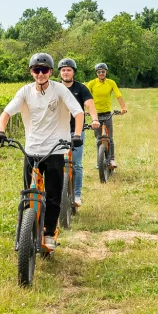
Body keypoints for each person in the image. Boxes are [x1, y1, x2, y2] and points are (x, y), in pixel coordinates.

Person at [0, 53, 84, 250]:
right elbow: (7, 112)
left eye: (44, 70)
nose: (40, 74)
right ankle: (27, 229)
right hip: (31, 150)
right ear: (31, 72)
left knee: (53, 195)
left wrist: (76, 135)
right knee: (28, 193)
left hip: (55, 149)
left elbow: (78, 112)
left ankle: (50, 232)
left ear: (51, 72)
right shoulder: (25, 92)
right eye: (37, 70)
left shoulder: (59, 89)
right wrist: (1, 130)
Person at [57, 58, 99, 207]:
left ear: (73, 72)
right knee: (55, 164)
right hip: (57, 131)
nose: (66, 72)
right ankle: (57, 195)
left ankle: (77, 195)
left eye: (68, 70)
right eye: (63, 70)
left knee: (77, 164)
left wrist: (94, 119)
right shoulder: (54, 88)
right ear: (60, 73)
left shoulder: (81, 88)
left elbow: (90, 105)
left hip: (76, 130)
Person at [86, 63, 127, 169]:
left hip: (107, 113)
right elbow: (85, 97)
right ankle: (99, 161)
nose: (101, 74)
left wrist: (123, 107)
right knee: (98, 139)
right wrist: (83, 110)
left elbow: (118, 95)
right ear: (96, 73)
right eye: (99, 72)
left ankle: (112, 159)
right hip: (95, 114)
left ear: (106, 72)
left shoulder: (111, 83)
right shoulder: (91, 83)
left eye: (103, 71)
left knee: (109, 138)